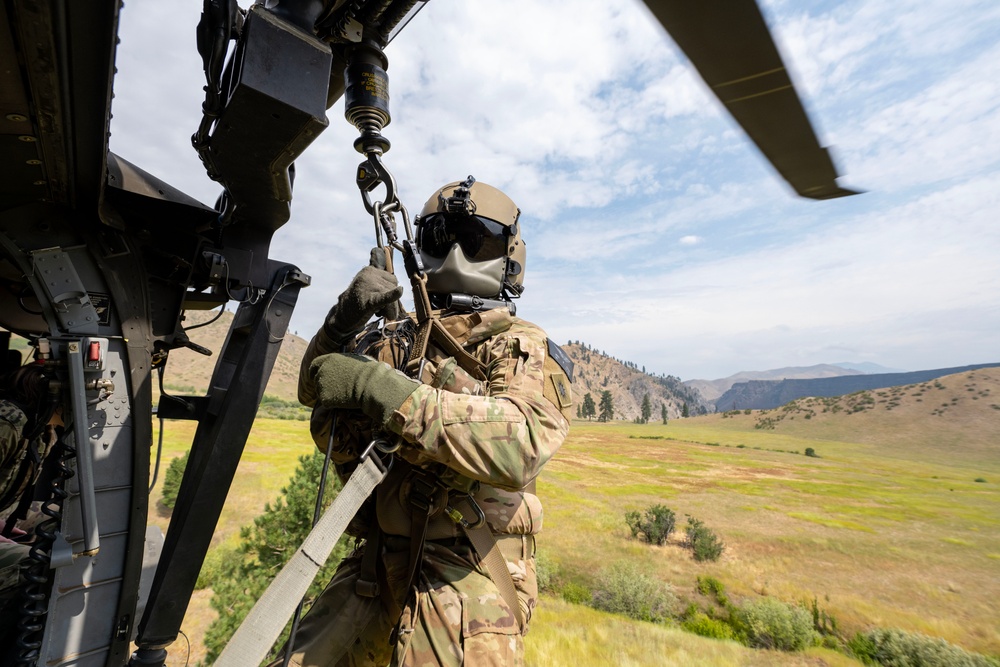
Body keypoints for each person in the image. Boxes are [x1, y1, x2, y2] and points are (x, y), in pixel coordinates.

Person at [282, 177, 574, 666]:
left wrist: (380, 389)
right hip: (377, 557)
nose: (457, 251)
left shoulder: (517, 343)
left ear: (507, 253)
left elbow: (520, 443)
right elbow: (314, 388)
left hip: (467, 567)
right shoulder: (396, 336)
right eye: (441, 236)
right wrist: (342, 323)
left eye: (475, 237)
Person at [0, 362, 56, 644]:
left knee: (59, 516)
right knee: (34, 567)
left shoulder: (43, 430)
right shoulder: (7, 425)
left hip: (3, 515)